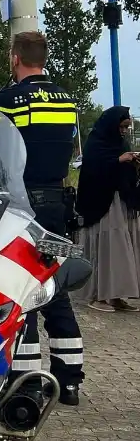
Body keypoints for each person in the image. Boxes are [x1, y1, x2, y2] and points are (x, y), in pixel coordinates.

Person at [0, 31, 83, 406]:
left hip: (20, 202)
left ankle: (26, 382)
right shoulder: (67, 99)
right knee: (55, 285)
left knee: (19, 284)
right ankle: (69, 380)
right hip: (55, 202)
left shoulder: (9, 99)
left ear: (15, 58)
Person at [74, 106, 140, 312]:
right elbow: (93, 170)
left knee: (123, 247)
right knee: (107, 247)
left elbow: (124, 171)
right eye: (121, 126)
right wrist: (119, 160)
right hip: (102, 205)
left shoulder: (121, 143)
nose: (123, 131)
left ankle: (117, 294)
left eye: (127, 127)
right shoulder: (96, 143)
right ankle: (98, 295)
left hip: (121, 201)